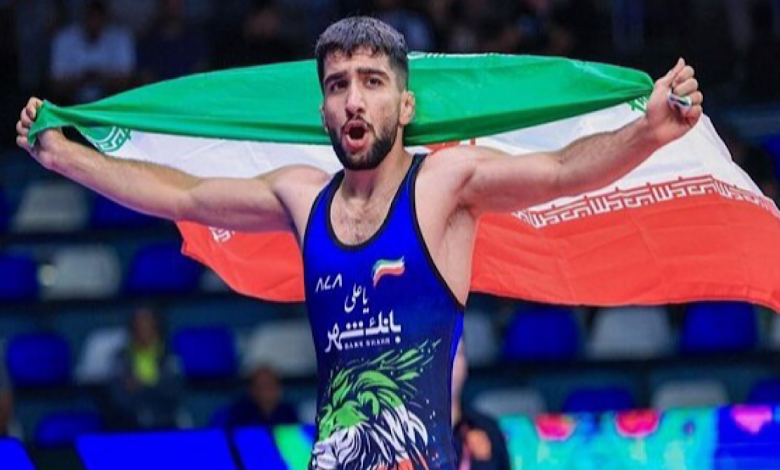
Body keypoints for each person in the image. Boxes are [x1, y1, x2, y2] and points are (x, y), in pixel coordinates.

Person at [17, 16, 702, 469]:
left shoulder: (443, 185)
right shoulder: (301, 196)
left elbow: (558, 171)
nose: (353, 99)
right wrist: (67, 157)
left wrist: (648, 132)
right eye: (338, 85)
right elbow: (182, 197)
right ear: (322, 112)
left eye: (372, 83)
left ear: (404, 106)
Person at [106, 307, 182, 430]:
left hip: (164, 424)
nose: (143, 329)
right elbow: (117, 398)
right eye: (139, 325)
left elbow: (174, 394)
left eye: (148, 324)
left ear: (156, 327)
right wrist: (155, 385)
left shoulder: (169, 357)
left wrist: (141, 386)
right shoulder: (121, 359)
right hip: (129, 425)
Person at [49, 0, 135, 104]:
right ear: (83, 18)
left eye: (98, 18)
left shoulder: (121, 38)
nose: (94, 23)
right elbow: (56, 83)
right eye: (91, 18)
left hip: (111, 103)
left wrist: (99, 78)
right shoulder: (63, 38)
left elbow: (126, 81)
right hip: (70, 103)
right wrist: (82, 80)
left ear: (106, 19)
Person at [451, 338, 510, 470]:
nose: (450, 364)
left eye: (457, 353)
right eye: (441, 354)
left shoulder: (488, 430)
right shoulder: (406, 437)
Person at [216, 365, 298, 429]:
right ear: (252, 390)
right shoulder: (238, 414)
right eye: (262, 386)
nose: (268, 392)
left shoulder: (288, 413)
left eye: (271, 385)